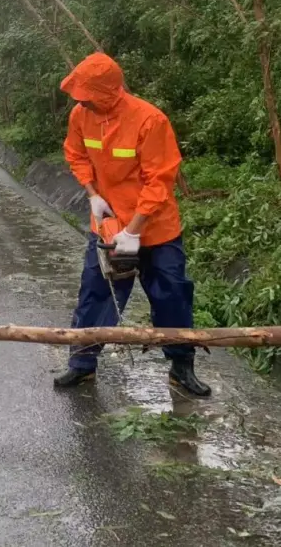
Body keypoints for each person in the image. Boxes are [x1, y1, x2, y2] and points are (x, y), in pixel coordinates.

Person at [52, 52, 211, 397]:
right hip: (108, 225)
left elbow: (159, 181)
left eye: (87, 96)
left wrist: (134, 230)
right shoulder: (81, 116)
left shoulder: (149, 120)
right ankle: (82, 364)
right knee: (95, 294)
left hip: (156, 229)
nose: (81, 103)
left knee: (171, 295)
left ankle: (181, 367)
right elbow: (75, 154)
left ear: (108, 92)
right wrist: (93, 194)